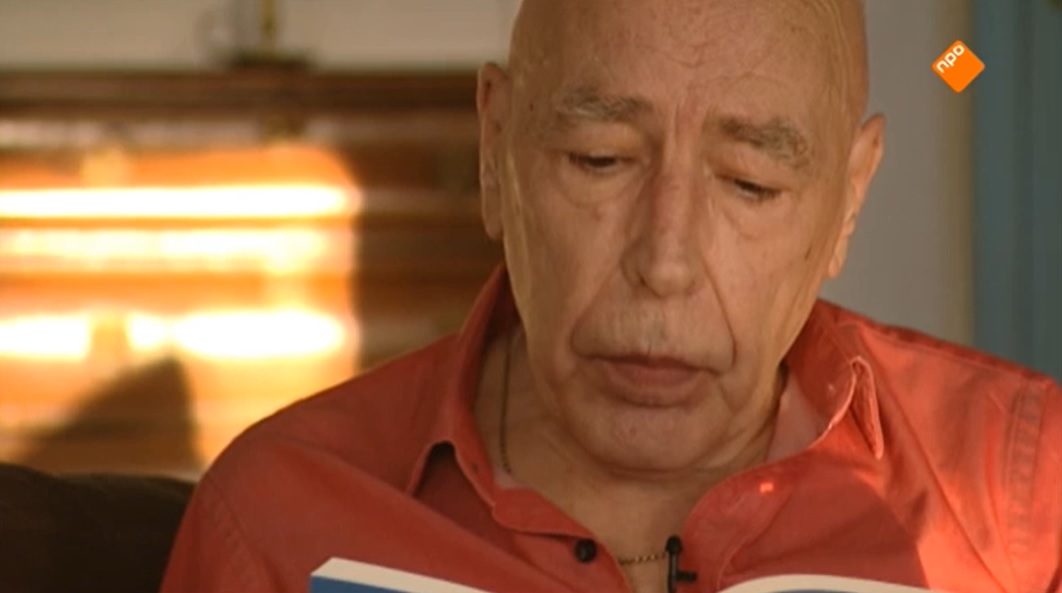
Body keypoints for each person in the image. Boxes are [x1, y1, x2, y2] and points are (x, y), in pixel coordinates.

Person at [160, 1, 1062, 592]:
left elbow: (961, 62)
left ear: (848, 201)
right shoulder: (273, 522)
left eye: (750, 182)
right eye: (601, 160)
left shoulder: (1021, 493)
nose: (664, 262)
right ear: (495, 151)